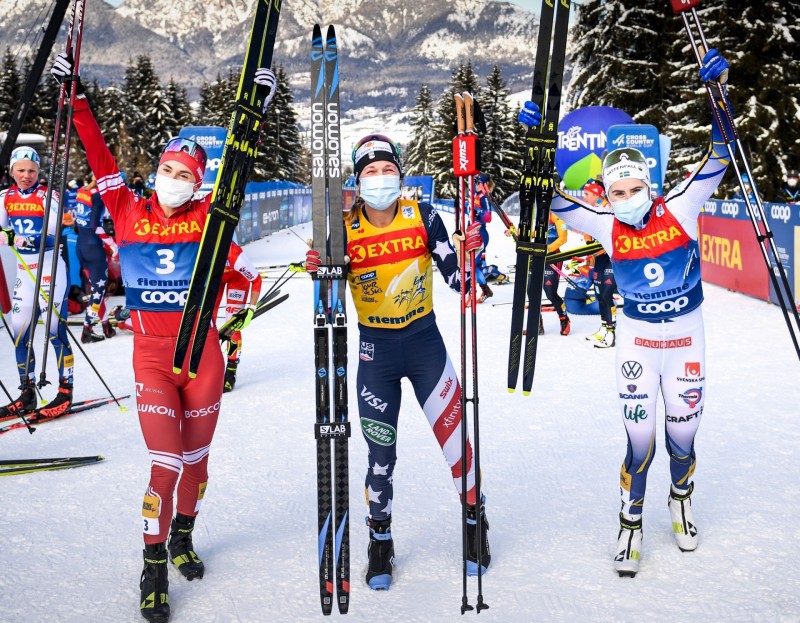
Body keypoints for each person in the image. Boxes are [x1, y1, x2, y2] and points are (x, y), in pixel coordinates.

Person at [51, 52, 276, 622]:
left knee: (197, 465)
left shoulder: (209, 219)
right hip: (153, 356)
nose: (174, 180)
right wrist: (75, 99)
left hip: (201, 356)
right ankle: (153, 566)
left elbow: (241, 205)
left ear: (198, 184)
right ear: (157, 171)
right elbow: (99, 156)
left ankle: (182, 535)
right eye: (169, 169)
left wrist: (256, 114)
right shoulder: (125, 208)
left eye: (186, 174)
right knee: (166, 463)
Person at [519, 48, 732, 577]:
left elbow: (721, 158)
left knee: (683, 440)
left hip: (686, 340)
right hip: (637, 344)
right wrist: (534, 148)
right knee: (640, 443)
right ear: (607, 195)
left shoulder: (679, 207)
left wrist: (719, 94)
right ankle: (630, 522)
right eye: (618, 192)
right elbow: (547, 200)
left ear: (650, 186)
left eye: (636, 188)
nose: (628, 198)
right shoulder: (605, 223)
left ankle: (680, 500)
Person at [306, 134, 490, 590]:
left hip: (425, 345)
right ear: (357, 180)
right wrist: (321, 269)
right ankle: (380, 541)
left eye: (388, 169)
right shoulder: (344, 227)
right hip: (376, 356)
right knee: (380, 458)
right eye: (371, 172)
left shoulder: (423, 216)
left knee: (456, 445)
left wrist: (472, 252)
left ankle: (474, 524)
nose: (380, 178)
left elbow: (460, 281)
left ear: (401, 175)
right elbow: (329, 305)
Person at [0, 146, 75, 419]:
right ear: (11, 171)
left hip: (50, 271)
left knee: (55, 332)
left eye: (31, 170)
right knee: (20, 333)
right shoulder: (5, 197)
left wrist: (24, 239)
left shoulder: (47, 196)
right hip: (24, 273)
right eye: (20, 170)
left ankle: (65, 391)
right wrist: (6, 235)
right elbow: (2, 228)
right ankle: (26, 393)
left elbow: (55, 231)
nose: (26, 175)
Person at [72, 173, 119, 343]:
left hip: (81, 245)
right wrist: (112, 243)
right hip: (93, 247)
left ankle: (106, 325)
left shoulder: (82, 191)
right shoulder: (99, 196)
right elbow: (95, 225)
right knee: (98, 291)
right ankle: (87, 329)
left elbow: (79, 220)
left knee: (97, 291)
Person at [215, 241, 262, 392]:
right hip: (215, 278)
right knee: (206, 320)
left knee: (232, 322)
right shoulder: (200, 249)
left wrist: (251, 309)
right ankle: (208, 369)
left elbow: (256, 280)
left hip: (237, 279)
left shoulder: (235, 255)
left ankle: (230, 372)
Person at [582, 179, 617, 348]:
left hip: (611, 258)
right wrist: (590, 251)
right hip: (599, 259)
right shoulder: (593, 210)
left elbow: (612, 236)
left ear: (597, 194)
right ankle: (604, 328)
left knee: (606, 294)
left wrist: (600, 250)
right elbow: (588, 233)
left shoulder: (609, 209)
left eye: (587, 194)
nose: (584, 197)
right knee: (599, 296)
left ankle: (611, 333)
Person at [540, 211, 571, 336]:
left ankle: (564, 318)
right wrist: (517, 233)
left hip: (552, 256)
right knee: (532, 292)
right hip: (537, 255)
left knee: (550, 292)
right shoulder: (538, 214)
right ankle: (536, 324)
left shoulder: (556, 215)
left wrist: (547, 249)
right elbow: (536, 233)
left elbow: (563, 238)